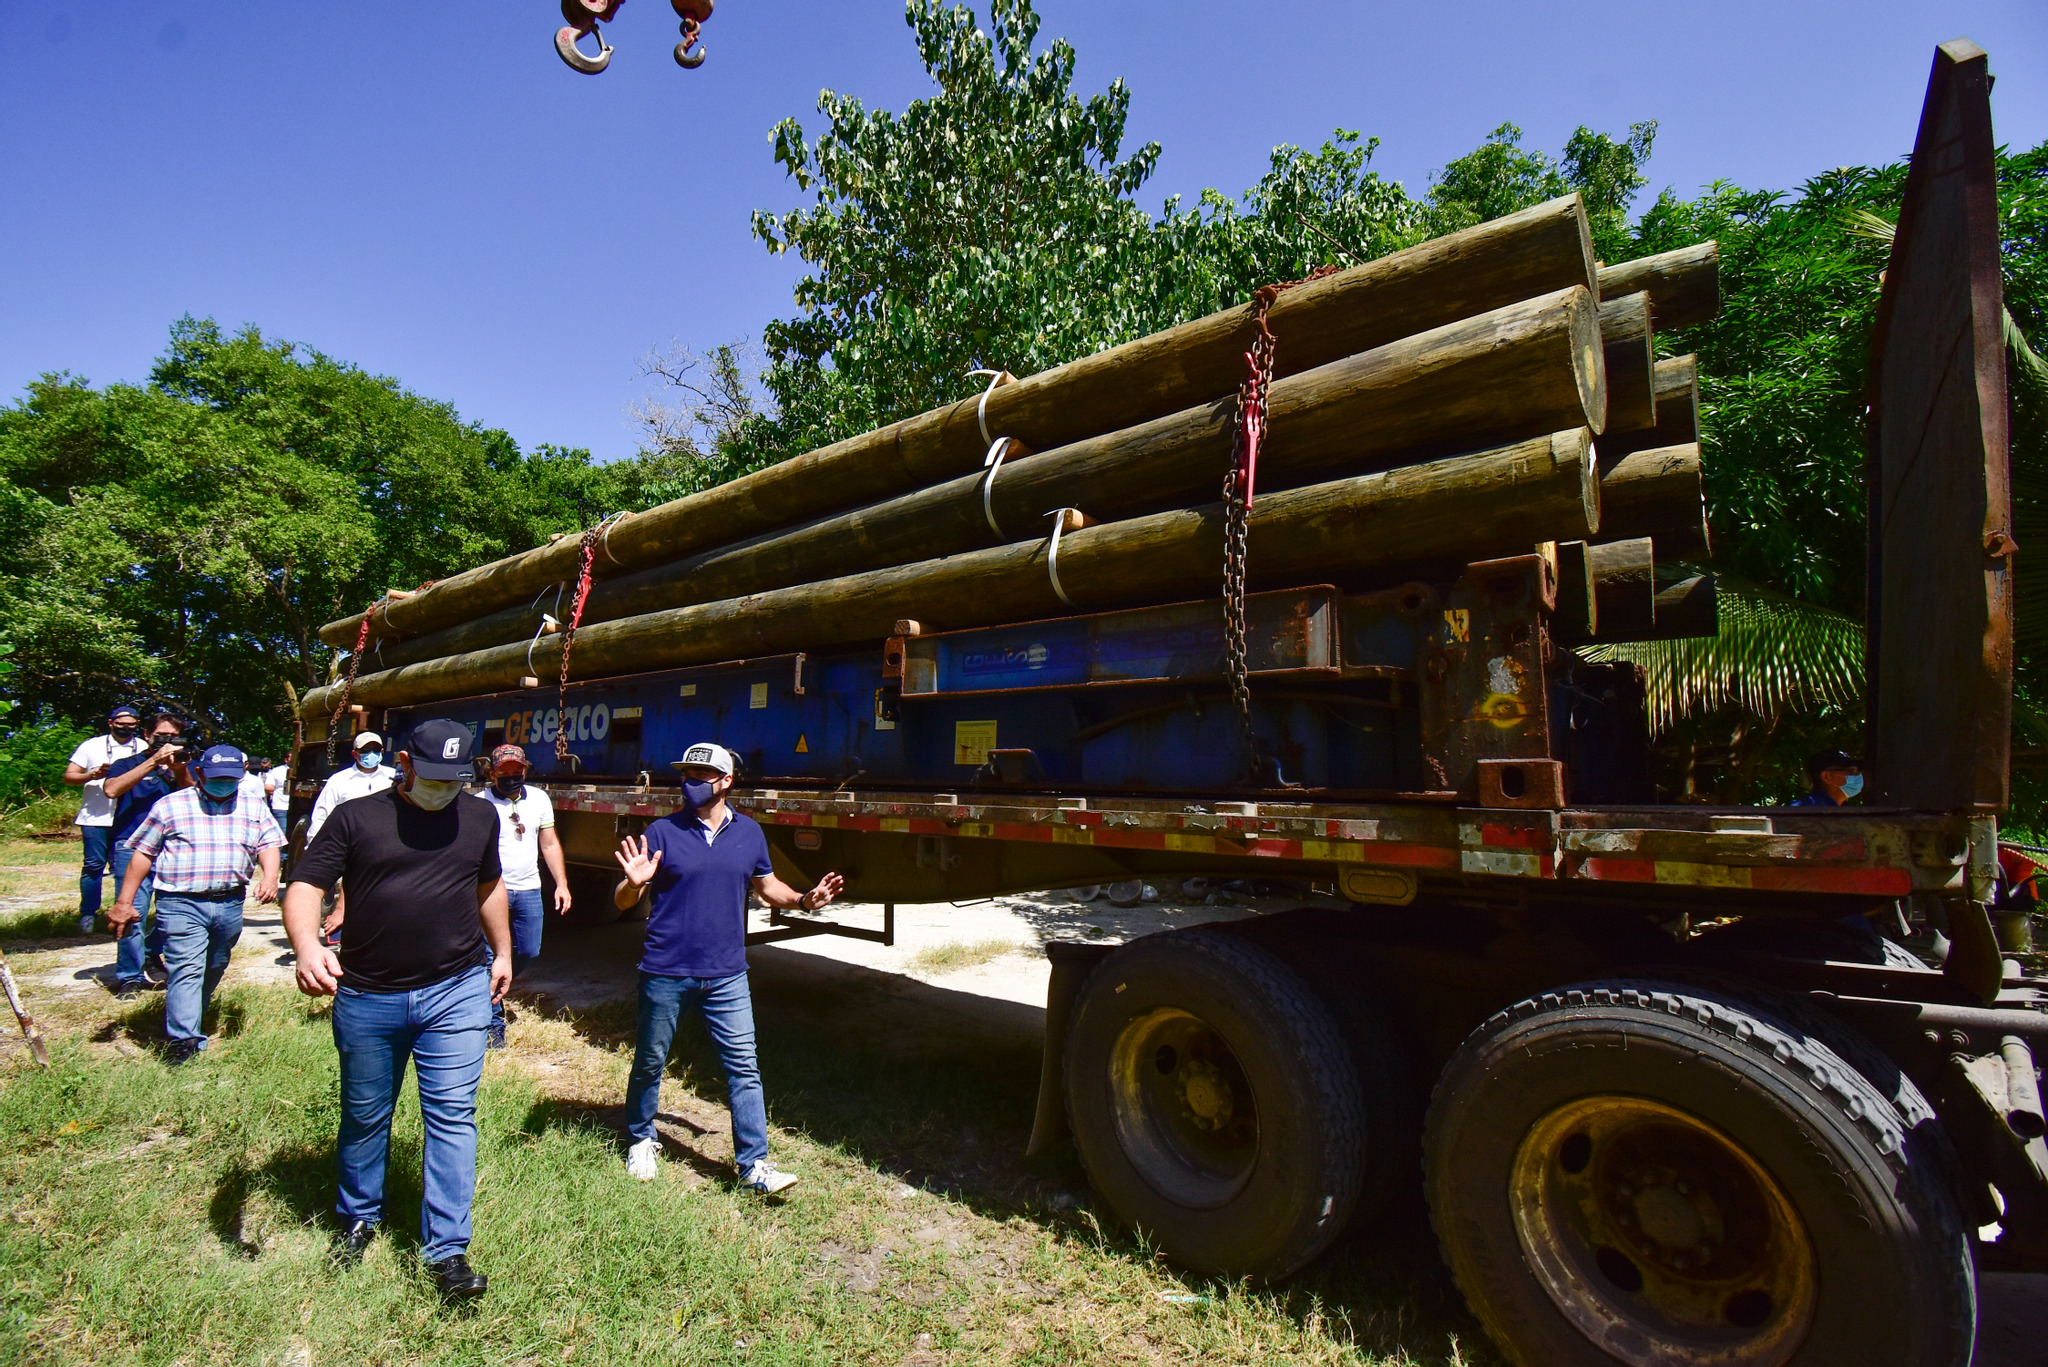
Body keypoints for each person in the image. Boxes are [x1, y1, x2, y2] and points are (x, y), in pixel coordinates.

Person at [281, 719, 510, 1303]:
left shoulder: (479, 817)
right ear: (404, 763)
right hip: (368, 995)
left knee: (452, 1115)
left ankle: (447, 1250)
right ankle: (358, 1217)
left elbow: (489, 885)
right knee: (365, 1115)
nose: (442, 790)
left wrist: (503, 952)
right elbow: (306, 885)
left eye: (453, 780)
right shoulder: (356, 817)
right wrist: (307, 947)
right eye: (432, 777)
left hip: (456, 990)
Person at [611, 741, 843, 1194]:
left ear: (727, 781)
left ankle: (753, 1165)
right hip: (666, 969)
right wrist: (632, 886)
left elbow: (767, 887)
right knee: (650, 1060)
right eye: (687, 774)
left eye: (702, 775)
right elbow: (623, 900)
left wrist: (803, 900)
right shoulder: (661, 831)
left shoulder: (750, 833)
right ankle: (640, 1138)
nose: (691, 782)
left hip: (727, 974)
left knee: (744, 1068)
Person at [109, 745, 283, 1063]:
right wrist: (124, 902)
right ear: (199, 772)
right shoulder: (171, 805)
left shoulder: (253, 804)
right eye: (217, 777)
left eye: (231, 778)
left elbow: (269, 843)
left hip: (229, 902)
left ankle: (192, 1011)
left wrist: (270, 877)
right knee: (187, 967)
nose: (224, 783)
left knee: (215, 964)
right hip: (181, 902)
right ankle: (184, 1039)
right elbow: (143, 853)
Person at [478, 745, 571, 1050]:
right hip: (493, 891)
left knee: (529, 950)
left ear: (525, 770)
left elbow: (549, 844)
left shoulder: (539, 799)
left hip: (529, 888)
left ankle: (491, 984)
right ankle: (493, 1024)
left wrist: (561, 884)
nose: (510, 776)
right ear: (492, 773)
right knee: (490, 956)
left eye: (516, 771)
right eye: (503, 772)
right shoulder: (480, 803)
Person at [100, 715, 193, 998]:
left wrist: (179, 769)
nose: (167, 741)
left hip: (173, 846)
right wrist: (153, 762)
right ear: (147, 735)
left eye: (173, 737)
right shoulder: (128, 763)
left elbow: (193, 795)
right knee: (132, 912)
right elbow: (111, 789)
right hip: (131, 844)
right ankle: (130, 976)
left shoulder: (185, 763)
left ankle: (151, 952)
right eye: (161, 735)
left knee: (175, 911)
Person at [62, 704, 150, 934]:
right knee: (93, 866)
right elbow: (68, 776)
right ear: (111, 723)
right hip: (96, 816)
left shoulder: (144, 747)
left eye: (131, 725)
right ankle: (88, 914)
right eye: (121, 724)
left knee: (125, 867)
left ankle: (123, 913)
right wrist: (91, 775)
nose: (126, 728)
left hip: (129, 818)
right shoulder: (91, 746)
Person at [305, 732, 397, 942]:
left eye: (376, 750)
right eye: (366, 751)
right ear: (355, 754)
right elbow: (321, 817)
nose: (371, 754)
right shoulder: (339, 781)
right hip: (350, 850)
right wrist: (315, 853)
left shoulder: (393, 777)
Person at [1789, 749, 1862, 807]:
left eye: (1856, 771)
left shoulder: (1841, 809)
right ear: (1826, 777)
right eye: (1851, 771)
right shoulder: (1805, 808)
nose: (1856, 776)